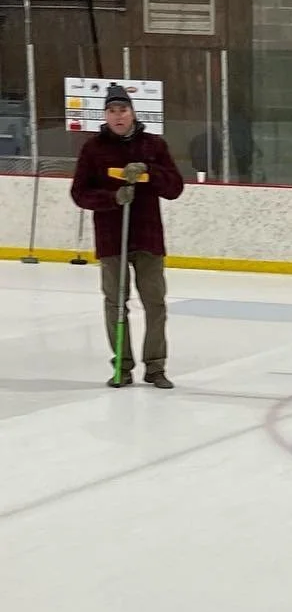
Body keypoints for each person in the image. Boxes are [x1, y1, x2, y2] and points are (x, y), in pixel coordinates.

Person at [71, 82, 185, 389]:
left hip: (147, 237)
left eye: (123, 109)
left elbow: (175, 187)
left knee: (155, 303)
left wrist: (149, 170)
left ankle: (155, 366)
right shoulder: (93, 149)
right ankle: (122, 365)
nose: (118, 116)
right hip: (112, 239)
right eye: (112, 110)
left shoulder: (153, 145)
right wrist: (113, 198)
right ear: (105, 115)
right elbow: (79, 193)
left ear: (133, 113)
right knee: (115, 304)